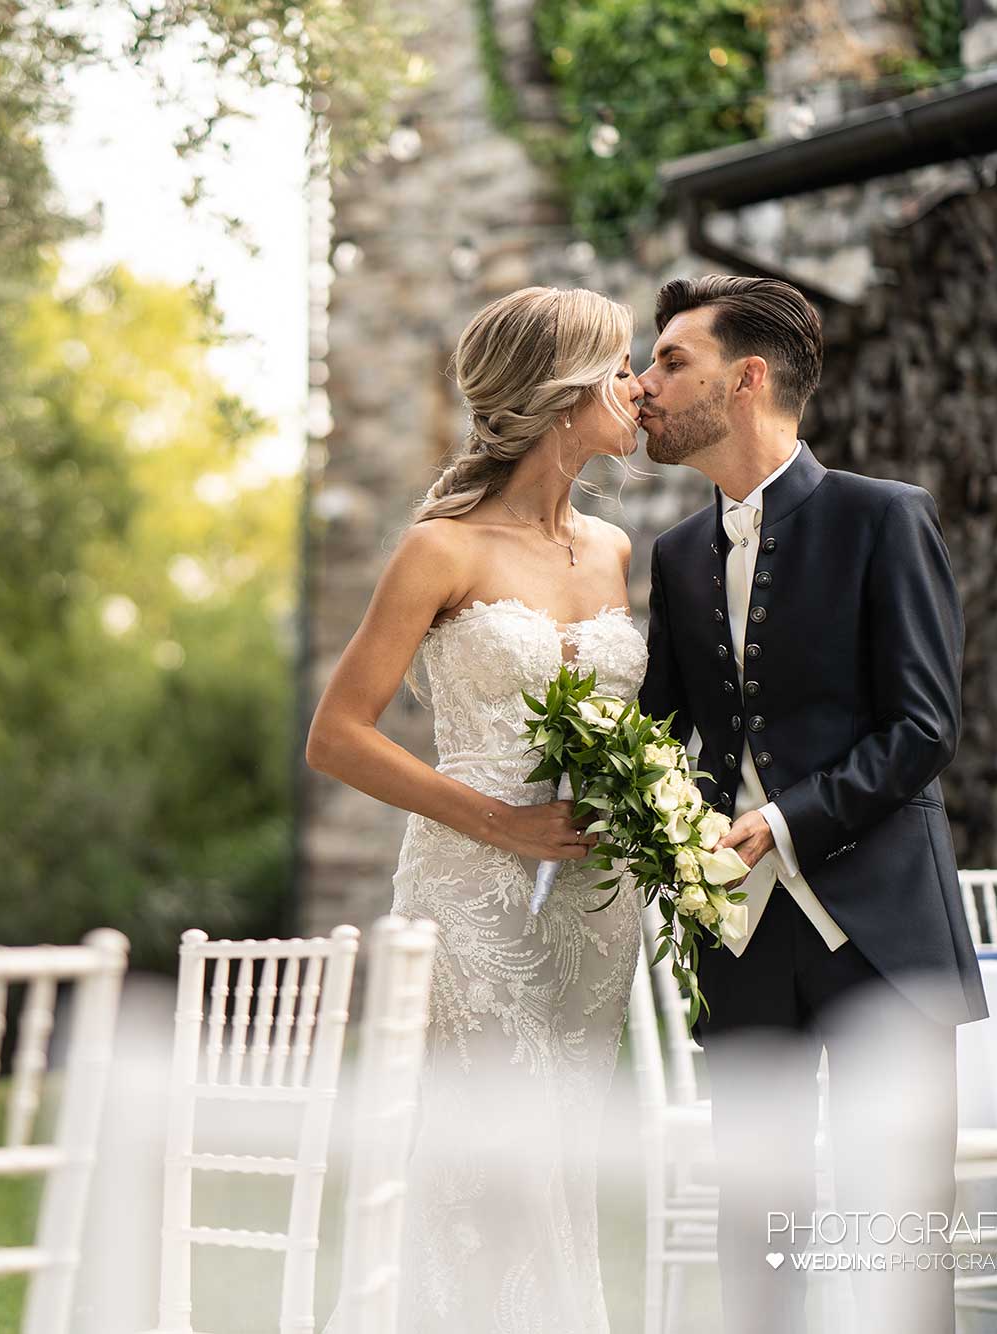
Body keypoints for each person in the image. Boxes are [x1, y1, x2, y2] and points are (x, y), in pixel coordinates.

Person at [634, 274, 987, 1332]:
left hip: (881, 929)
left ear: (745, 380)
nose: (641, 385)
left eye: (668, 362)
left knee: (903, 1245)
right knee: (756, 1246)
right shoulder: (671, 553)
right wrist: (674, 821)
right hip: (737, 936)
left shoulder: (882, 517)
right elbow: (672, 739)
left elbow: (923, 726)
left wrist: (784, 820)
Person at [306, 285, 647, 1332]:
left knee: (564, 1150)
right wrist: (496, 822)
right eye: (619, 368)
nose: (636, 389)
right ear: (561, 400)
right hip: (471, 894)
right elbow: (336, 734)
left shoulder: (613, 550)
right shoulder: (439, 549)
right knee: (497, 1160)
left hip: (593, 901)